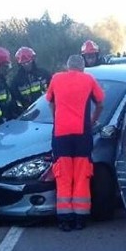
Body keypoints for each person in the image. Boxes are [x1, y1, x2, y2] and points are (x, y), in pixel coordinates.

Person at [45, 54, 105, 231]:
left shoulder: (56, 78)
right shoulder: (89, 79)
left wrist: (56, 117)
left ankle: (64, 219)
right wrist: (93, 120)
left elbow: (49, 101)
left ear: (67, 66)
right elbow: (100, 103)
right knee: (81, 175)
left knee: (63, 176)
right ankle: (80, 218)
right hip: (82, 135)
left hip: (61, 134)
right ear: (83, 67)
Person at [10, 46, 52, 110]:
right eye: (23, 63)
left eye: (28, 62)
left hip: (46, 109)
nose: (26, 65)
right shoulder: (16, 81)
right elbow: (14, 99)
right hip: (29, 113)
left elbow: (53, 89)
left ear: (32, 60)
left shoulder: (44, 74)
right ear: (20, 64)